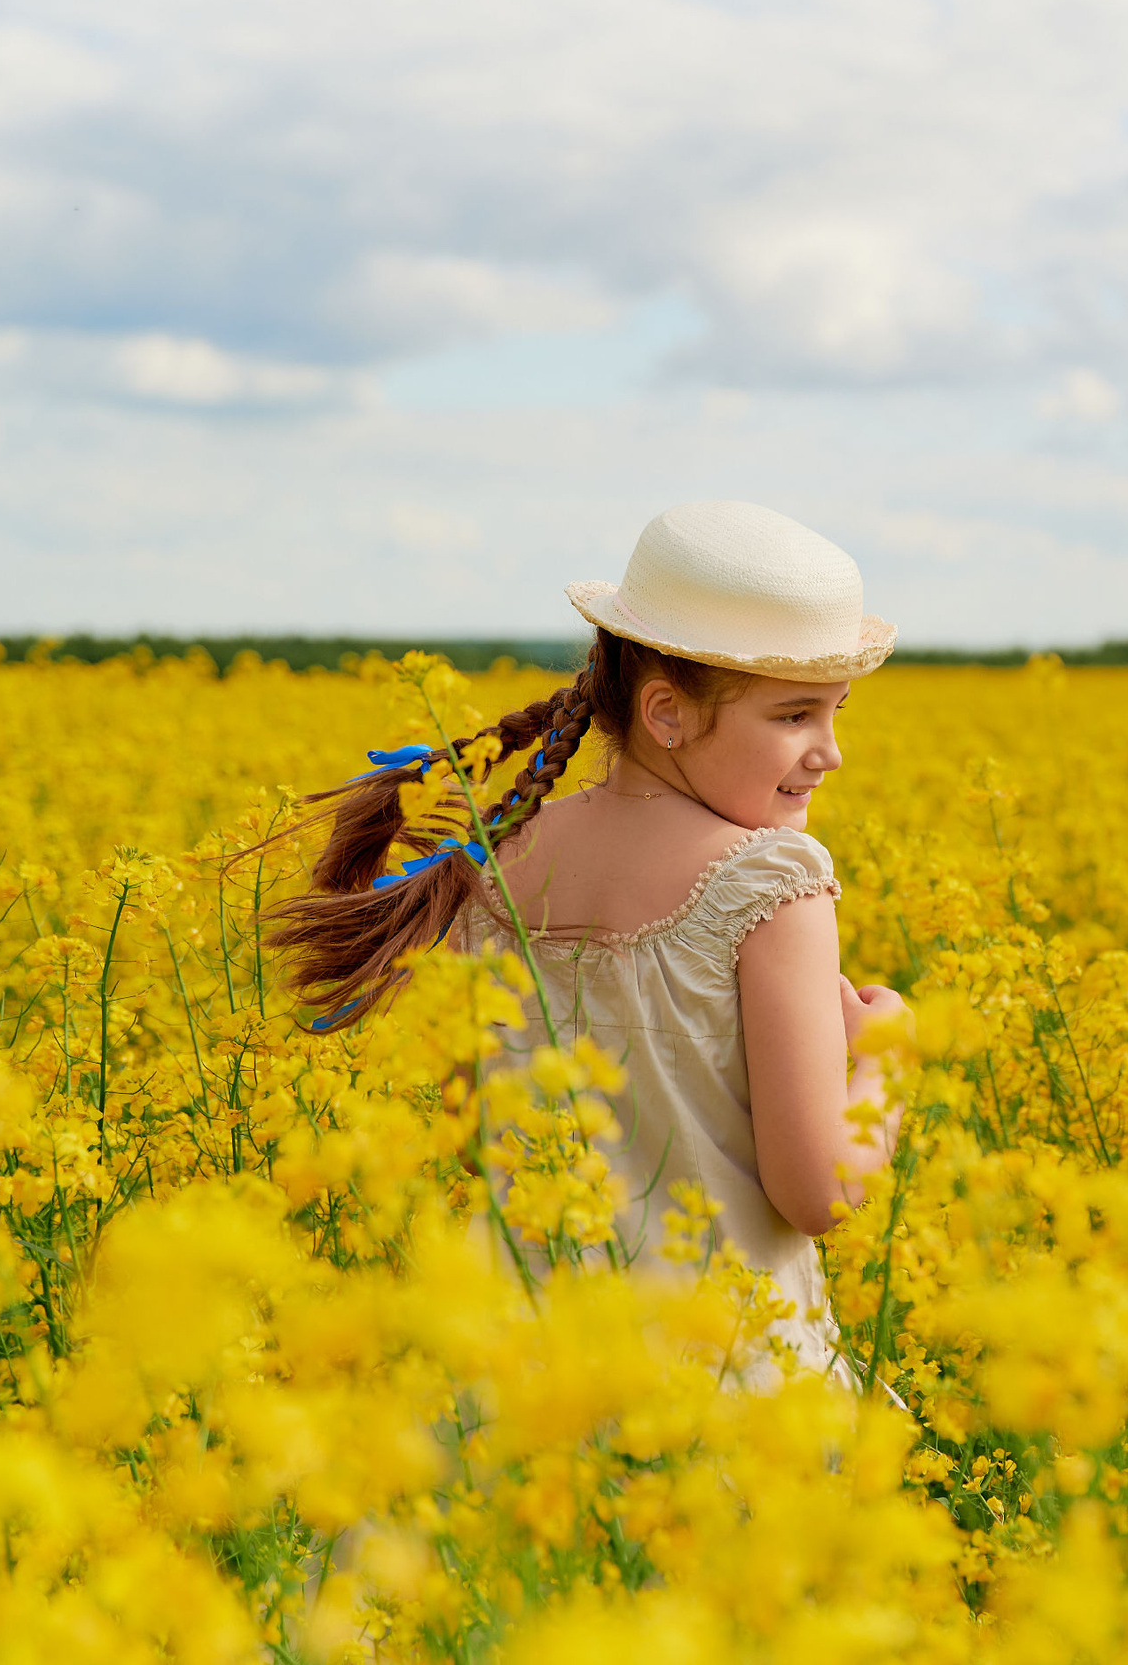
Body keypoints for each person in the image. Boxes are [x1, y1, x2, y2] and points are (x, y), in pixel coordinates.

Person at [268, 500, 910, 1388]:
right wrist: (888, 1059)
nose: (828, 752)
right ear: (667, 713)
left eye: (834, 714)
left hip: (517, 1384)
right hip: (718, 1384)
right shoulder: (774, 879)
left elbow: (476, 1141)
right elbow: (820, 1192)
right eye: (795, 716)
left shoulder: (492, 866)